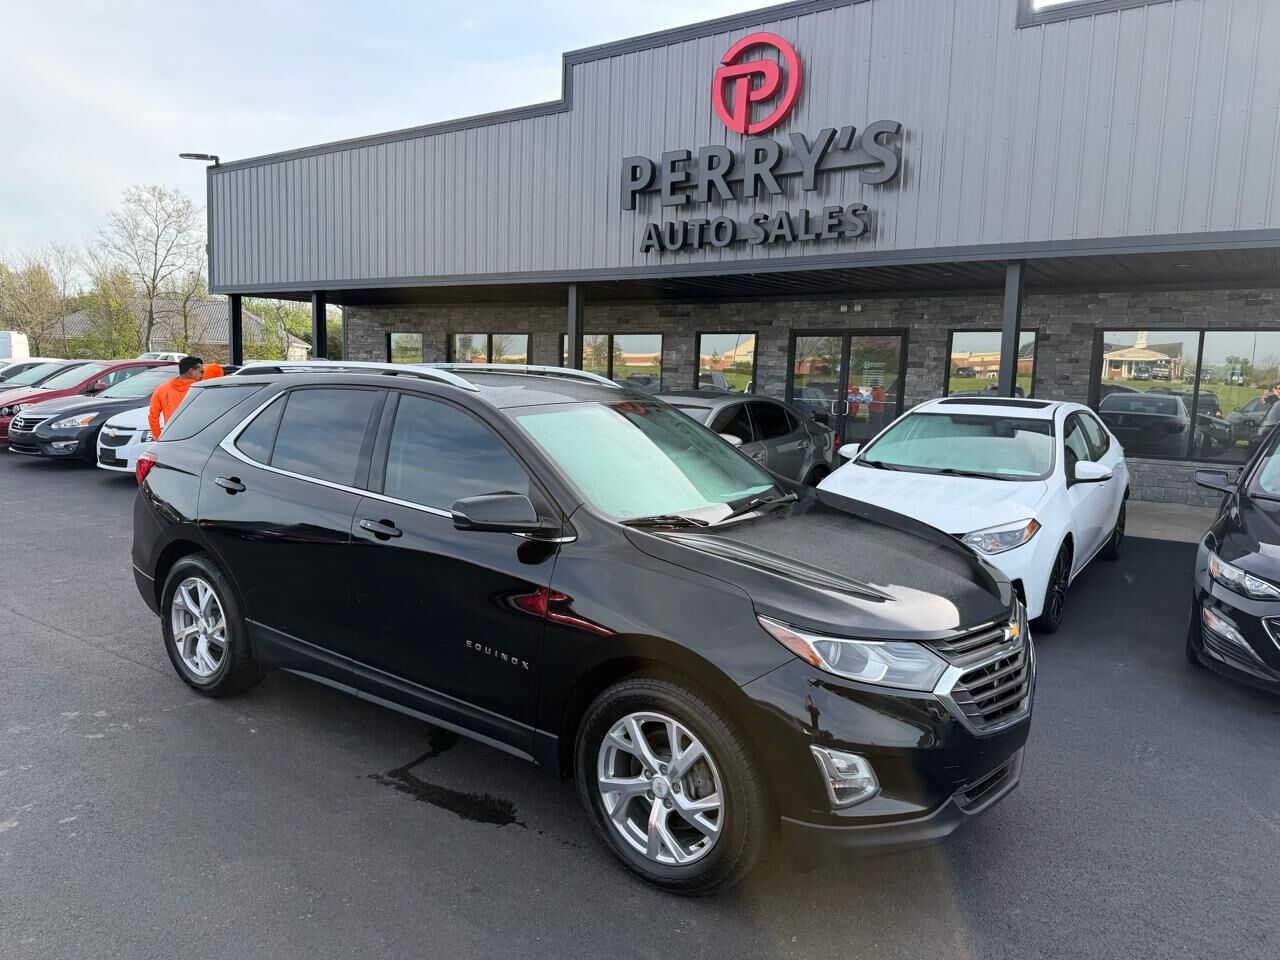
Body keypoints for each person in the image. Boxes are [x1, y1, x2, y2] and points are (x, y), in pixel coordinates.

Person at [148, 356, 205, 439]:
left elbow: (153, 417)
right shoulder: (202, 390)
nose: (203, 376)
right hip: (197, 438)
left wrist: (159, 438)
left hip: (171, 438)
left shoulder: (161, 389)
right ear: (191, 371)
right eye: (201, 372)